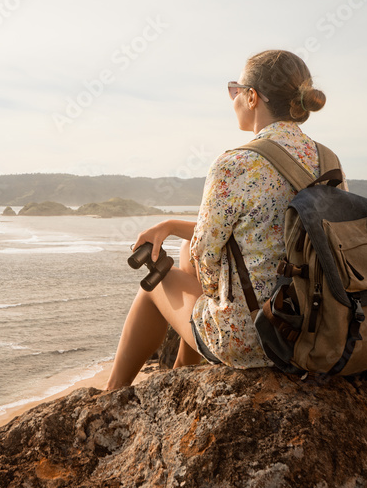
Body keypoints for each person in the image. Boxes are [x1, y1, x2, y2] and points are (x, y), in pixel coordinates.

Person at [105, 50, 332, 390]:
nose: (233, 98)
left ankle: (111, 394)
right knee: (185, 253)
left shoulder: (235, 163)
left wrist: (203, 287)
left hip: (259, 338)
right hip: (315, 329)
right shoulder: (327, 160)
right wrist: (170, 225)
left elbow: (206, 259)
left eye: (234, 89)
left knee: (154, 284)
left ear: (252, 96)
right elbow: (269, 228)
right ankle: (182, 367)